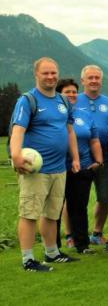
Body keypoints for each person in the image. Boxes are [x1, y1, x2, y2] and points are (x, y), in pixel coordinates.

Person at [11, 57, 81, 271]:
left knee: (52, 213)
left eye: (53, 73)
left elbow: (69, 131)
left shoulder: (62, 101)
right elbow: (18, 130)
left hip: (59, 168)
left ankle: (52, 253)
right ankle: (28, 259)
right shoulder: (28, 100)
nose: (50, 77)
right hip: (35, 170)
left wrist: (76, 157)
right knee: (30, 213)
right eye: (45, 73)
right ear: (36, 75)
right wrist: (15, 156)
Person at [76, 65, 108, 251]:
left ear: (101, 80)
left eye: (97, 78)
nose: (94, 81)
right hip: (80, 158)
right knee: (76, 199)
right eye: (90, 77)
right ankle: (72, 235)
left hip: (105, 158)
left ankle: (97, 233)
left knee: (104, 198)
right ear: (82, 81)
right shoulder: (73, 100)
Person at [58, 78, 102, 254]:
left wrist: (98, 162)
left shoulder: (84, 115)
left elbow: (94, 140)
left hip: (82, 168)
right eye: (67, 92)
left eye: (74, 91)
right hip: (58, 167)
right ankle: (53, 248)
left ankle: (82, 245)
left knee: (79, 208)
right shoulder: (54, 115)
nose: (71, 94)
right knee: (54, 208)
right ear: (59, 94)